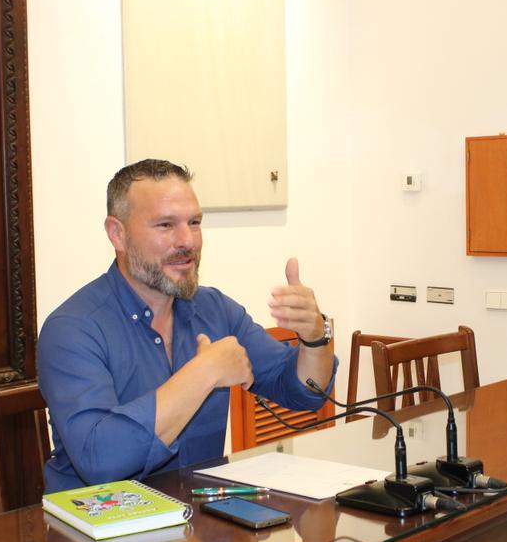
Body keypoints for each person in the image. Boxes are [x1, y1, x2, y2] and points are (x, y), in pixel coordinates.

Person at [37, 159, 337, 492]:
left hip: (200, 522)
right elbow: (101, 460)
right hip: (100, 534)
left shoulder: (213, 309)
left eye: (194, 222)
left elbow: (305, 393)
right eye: (165, 225)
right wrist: (204, 373)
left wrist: (314, 339)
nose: (187, 241)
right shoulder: (73, 329)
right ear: (117, 234)